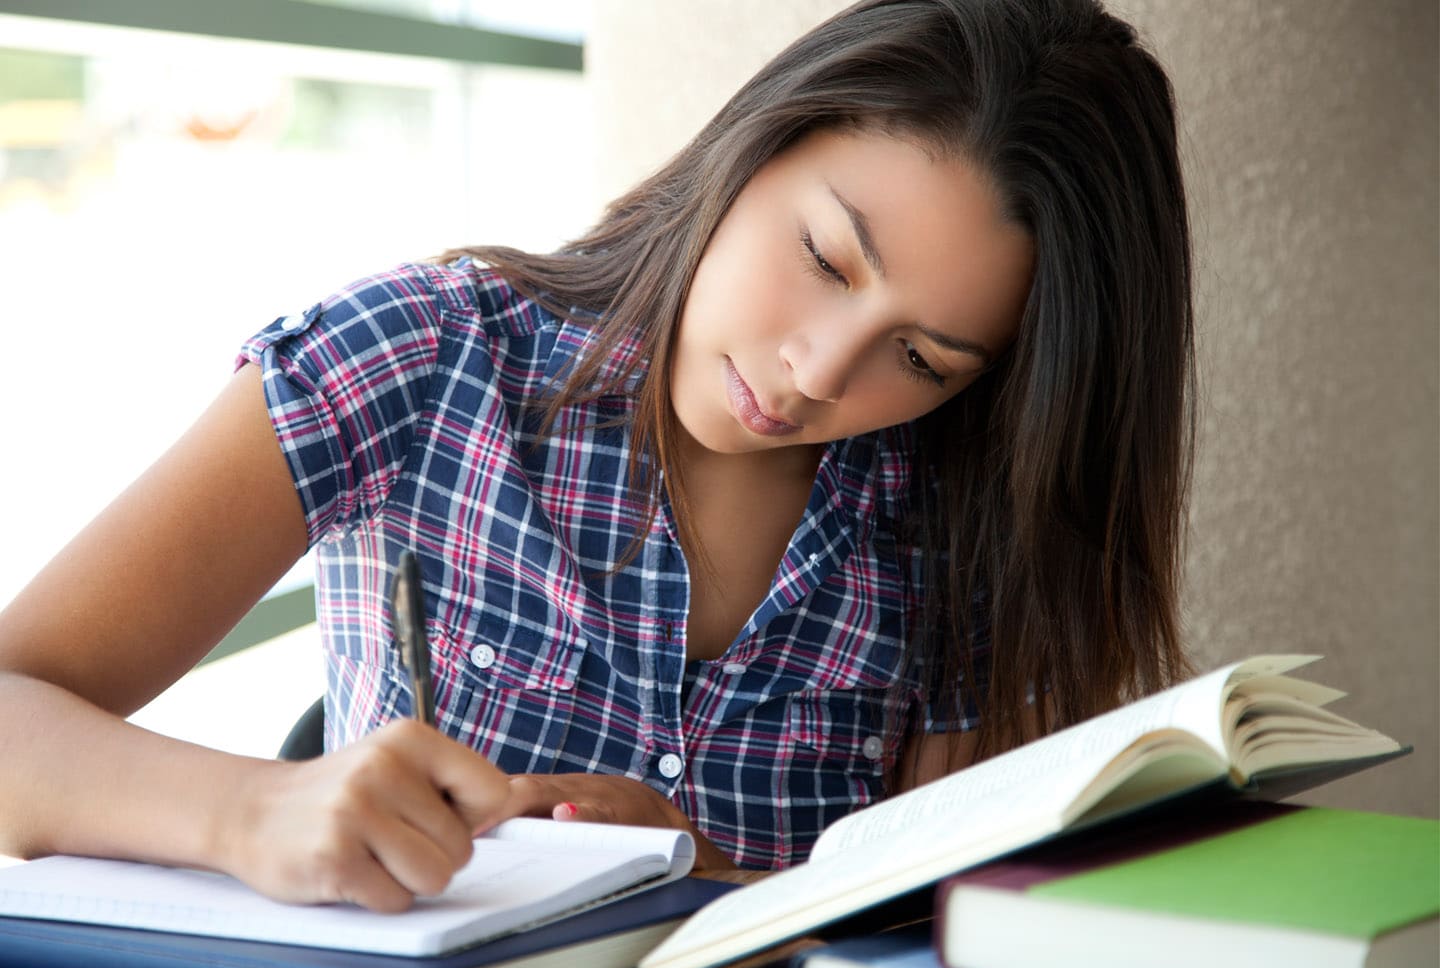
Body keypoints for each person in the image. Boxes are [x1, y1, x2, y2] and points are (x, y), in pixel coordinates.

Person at [0, 0, 1193, 913]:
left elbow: (951, 934)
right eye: (828, 260)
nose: (819, 372)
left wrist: (708, 879)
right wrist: (252, 809)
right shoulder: (428, 353)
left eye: (924, 359)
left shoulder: (964, 524)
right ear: (755, 149)